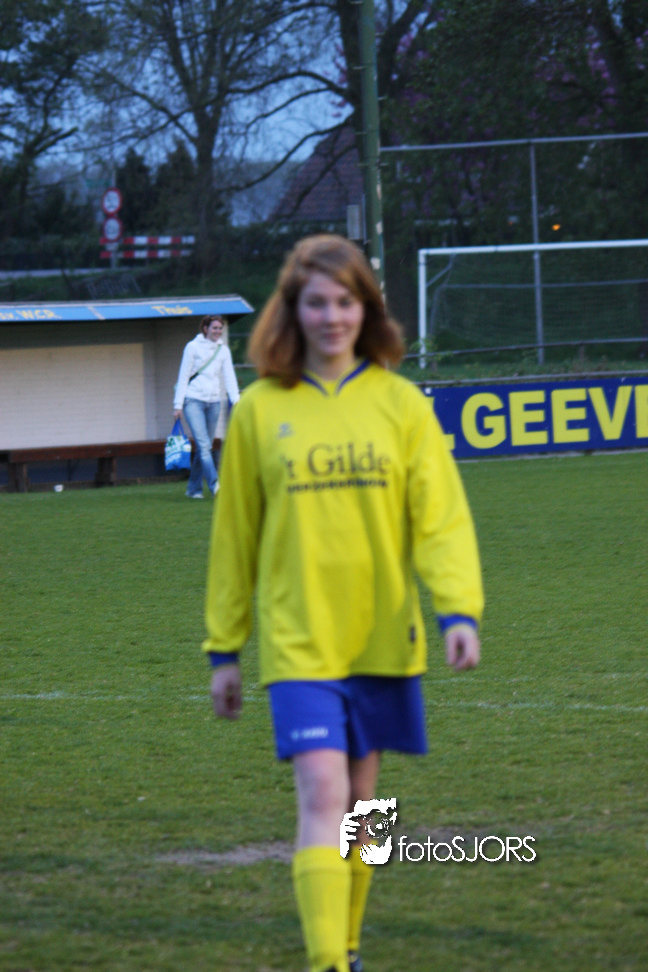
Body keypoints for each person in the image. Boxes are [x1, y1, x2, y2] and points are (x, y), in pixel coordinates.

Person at [203, 235, 484, 972]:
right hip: (299, 643)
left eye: (346, 301)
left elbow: (441, 519)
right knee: (323, 792)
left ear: (368, 309)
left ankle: (350, 943)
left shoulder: (400, 404)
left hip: (383, 636)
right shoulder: (261, 411)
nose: (332, 317)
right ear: (292, 311)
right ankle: (328, 961)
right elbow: (234, 540)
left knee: (368, 805)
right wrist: (224, 648)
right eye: (316, 302)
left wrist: (458, 609)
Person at [173, 314, 240, 498]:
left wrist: (237, 401)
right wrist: (178, 405)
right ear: (205, 329)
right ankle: (215, 486)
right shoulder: (192, 347)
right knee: (204, 446)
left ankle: (193, 489)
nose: (218, 331)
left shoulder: (223, 351)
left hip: (214, 402)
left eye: (220, 328)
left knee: (205, 448)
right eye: (214, 328)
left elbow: (230, 378)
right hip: (192, 401)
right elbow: (183, 377)